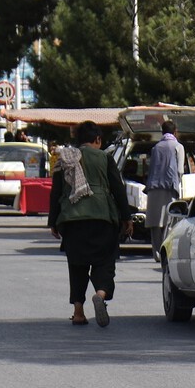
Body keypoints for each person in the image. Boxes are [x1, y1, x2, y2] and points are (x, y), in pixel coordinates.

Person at [48, 121, 131, 327]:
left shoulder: (64, 159)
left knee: (77, 266)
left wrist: (53, 221)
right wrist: (126, 218)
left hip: (72, 219)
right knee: (105, 262)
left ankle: (78, 312)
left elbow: (56, 192)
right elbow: (118, 189)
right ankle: (100, 294)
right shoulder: (105, 158)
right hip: (103, 217)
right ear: (97, 139)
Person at [144, 120, 184, 263]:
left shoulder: (156, 148)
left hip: (153, 187)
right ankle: (166, 253)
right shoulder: (178, 147)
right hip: (170, 188)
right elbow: (180, 170)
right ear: (175, 132)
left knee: (155, 222)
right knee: (169, 221)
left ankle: (156, 254)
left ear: (162, 132)